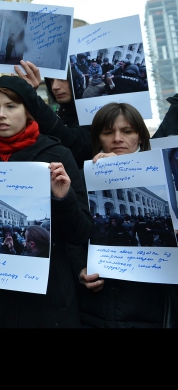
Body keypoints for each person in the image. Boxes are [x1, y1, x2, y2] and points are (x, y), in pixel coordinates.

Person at [0, 76, 92, 328]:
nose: (1, 115)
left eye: (11, 106)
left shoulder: (57, 155)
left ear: (28, 110)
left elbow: (82, 231)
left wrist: (64, 197)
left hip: (47, 300)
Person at [70, 102, 177, 328]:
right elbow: (72, 235)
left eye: (127, 131)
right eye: (108, 132)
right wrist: (81, 271)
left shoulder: (164, 177)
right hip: (97, 310)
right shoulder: (81, 178)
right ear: (99, 138)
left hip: (152, 307)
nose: (118, 139)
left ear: (140, 136)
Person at [13, 60, 92, 169]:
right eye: (51, 81)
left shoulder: (93, 114)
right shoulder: (62, 113)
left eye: (62, 79)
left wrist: (31, 96)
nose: (54, 86)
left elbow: (72, 143)